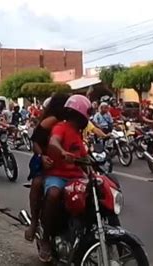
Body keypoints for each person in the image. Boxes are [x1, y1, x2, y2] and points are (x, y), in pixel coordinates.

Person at [39, 95, 91, 262]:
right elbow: (54, 141)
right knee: (53, 194)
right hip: (57, 176)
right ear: (80, 114)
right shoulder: (60, 127)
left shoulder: (78, 135)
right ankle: (45, 239)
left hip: (76, 177)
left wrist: (93, 172)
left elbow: (84, 159)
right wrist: (62, 152)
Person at [24, 93, 70, 244]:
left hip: (66, 162)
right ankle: (34, 223)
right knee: (37, 183)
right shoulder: (51, 121)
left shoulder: (73, 122)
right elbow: (35, 141)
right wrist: (42, 157)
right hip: (46, 160)